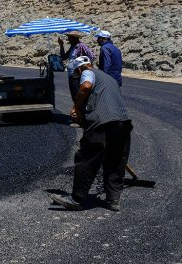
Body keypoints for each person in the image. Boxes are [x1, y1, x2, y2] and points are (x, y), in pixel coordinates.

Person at [50, 56, 132, 212]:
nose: (76, 79)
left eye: (75, 76)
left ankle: (76, 199)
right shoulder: (109, 78)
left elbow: (86, 86)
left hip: (101, 123)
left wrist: (75, 107)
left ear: (80, 69)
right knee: (115, 161)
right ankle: (113, 200)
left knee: (86, 159)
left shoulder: (87, 72)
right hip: (123, 123)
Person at [58, 31, 95, 100]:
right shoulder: (72, 47)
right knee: (74, 94)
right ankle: (77, 108)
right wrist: (61, 45)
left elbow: (92, 56)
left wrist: (84, 66)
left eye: (70, 38)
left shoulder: (81, 46)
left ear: (74, 38)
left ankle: (80, 109)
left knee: (78, 93)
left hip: (78, 75)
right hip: (71, 74)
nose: (68, 39)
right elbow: (63, 57)